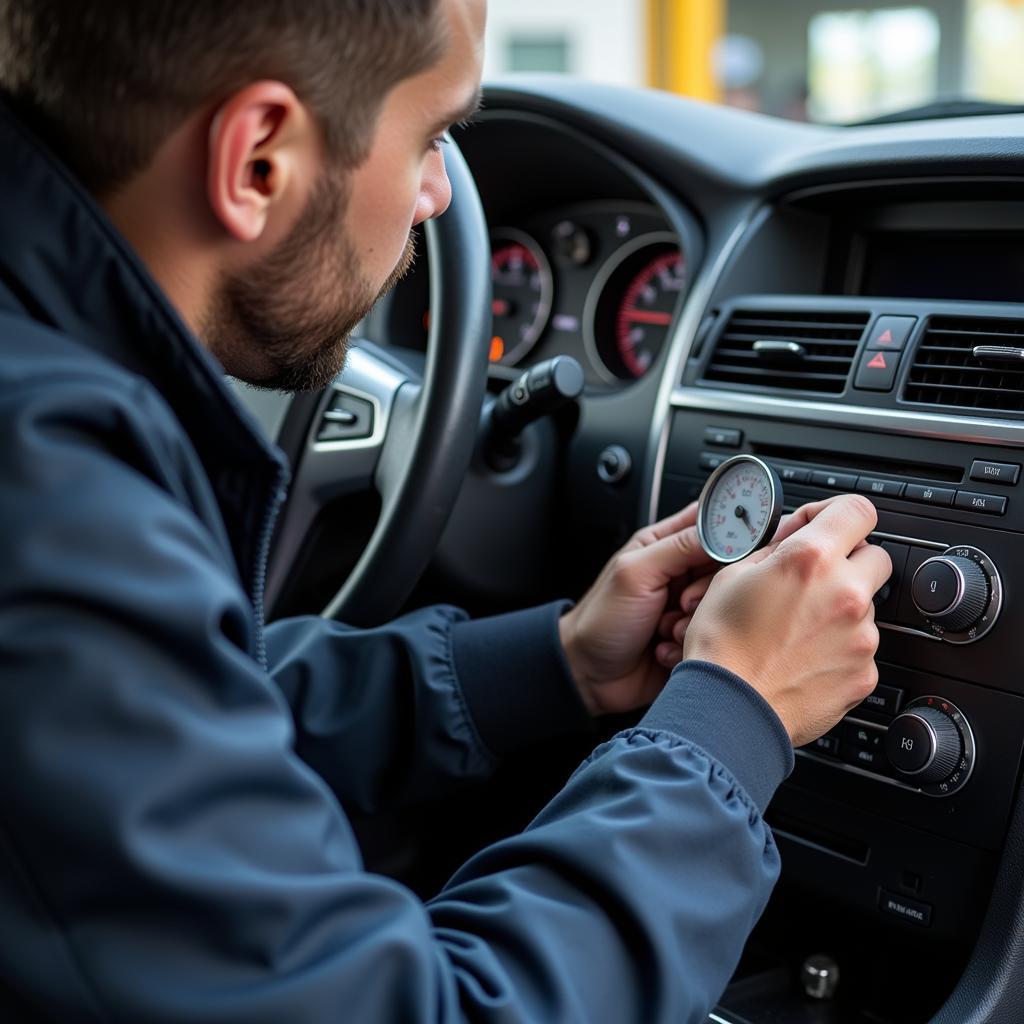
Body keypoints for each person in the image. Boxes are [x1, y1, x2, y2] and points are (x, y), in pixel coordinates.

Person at [0, 1, 890, 1021]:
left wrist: (552, 660)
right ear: (257, 161)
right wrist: (734, 716)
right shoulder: (50, 504)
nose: (432, 195)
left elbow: (171, 725)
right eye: (429, 139)